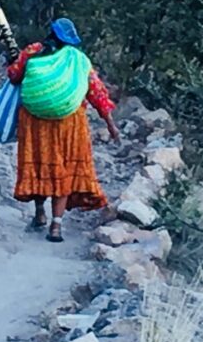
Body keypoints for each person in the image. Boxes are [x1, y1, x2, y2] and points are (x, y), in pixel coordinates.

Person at [7, 17, 120, 243]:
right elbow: (97, 93)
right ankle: (56, 227)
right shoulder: (78, 60)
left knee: (39, 166)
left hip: (35, 122)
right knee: (64, 170)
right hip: (69, 124)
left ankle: (39, 213)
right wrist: (111, 124)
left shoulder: (33, 51)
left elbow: (13, 75)